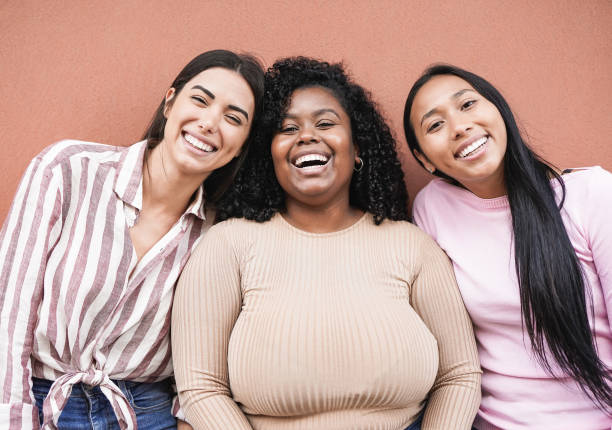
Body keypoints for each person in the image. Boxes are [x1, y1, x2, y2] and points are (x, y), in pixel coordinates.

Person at [172, 57, 481, 430]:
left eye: (325, 123)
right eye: (287, 128)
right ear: (269, 156)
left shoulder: (414, 248)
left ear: (357, 149)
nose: (306, 136)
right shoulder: (228, 246)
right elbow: (201, 388)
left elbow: (459, 375)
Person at [0, 49, 264, 430]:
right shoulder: (67, 170)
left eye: (233, 118)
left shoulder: (219, 233)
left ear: (241, 144)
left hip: (145, 412)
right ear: (170, 102)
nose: (209, 122)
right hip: (42, 399)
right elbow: (8, 312)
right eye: (200, 100)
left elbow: (211, 358)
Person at [403, 64, 612, 429]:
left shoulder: (591, 194)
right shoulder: (432, 209)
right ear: (424, 160)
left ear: (499, 110)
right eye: (435, 125)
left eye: (467, 105)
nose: (459, 127)